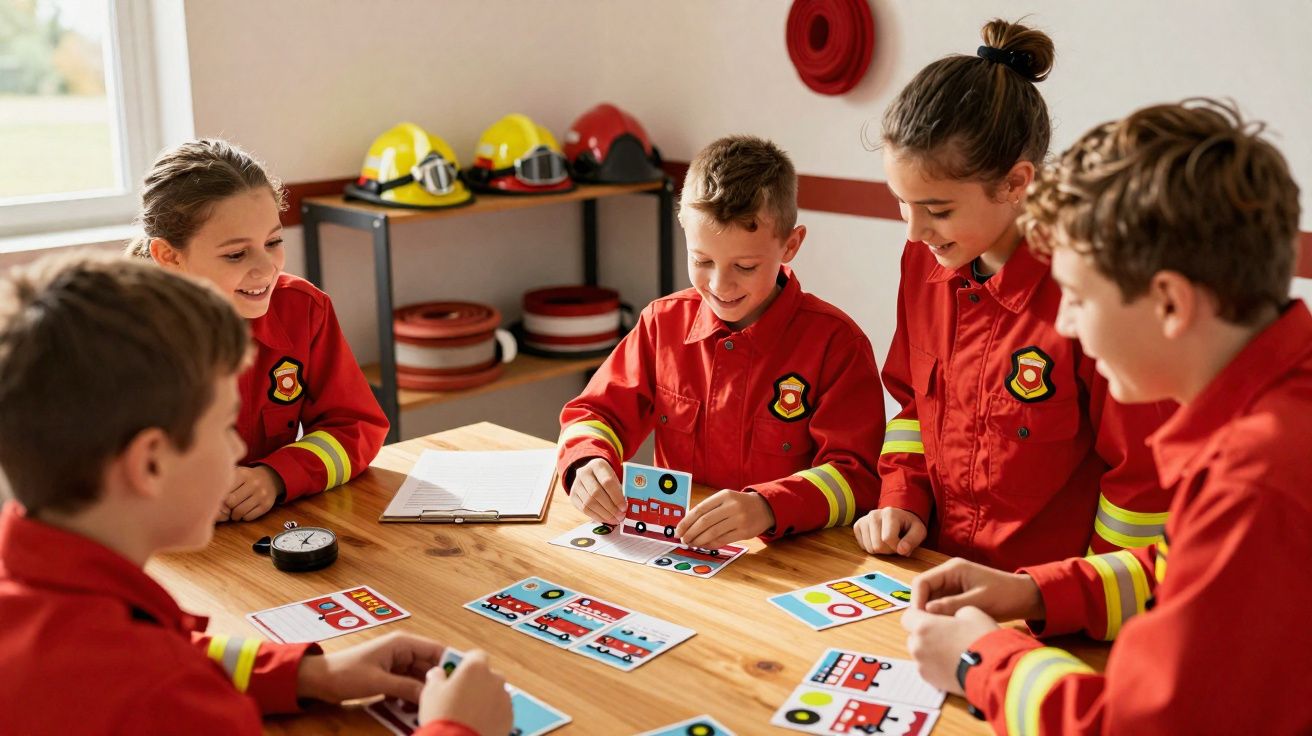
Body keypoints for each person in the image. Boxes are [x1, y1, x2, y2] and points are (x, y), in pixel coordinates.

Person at [902, 98, 1312, 734]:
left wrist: (978, 661)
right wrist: (1033, 592)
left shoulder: (1253, 482)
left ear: (1170, 303)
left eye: (1078, 297)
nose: (1065, 324)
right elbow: (1179, 575)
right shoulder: (1276, 415)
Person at [0, 254, 511, 735]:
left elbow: (154, 655)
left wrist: (307, 674)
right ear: (150, 463)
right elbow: (157, 679)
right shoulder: (168, 697)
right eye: (226, 426)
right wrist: (456, 727)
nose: (238, 449)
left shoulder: (41, 600)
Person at [856, 19, 1174, 570]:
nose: (914, 231)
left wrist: (1083, 599)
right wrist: (901, 497)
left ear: (1015, 182)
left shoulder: (1093, 291)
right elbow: (912, 406)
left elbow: (1141, 480)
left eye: (938, 210)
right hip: (935, 574)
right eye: (901, 202)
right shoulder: (924, 260)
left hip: (1050, 598)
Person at [558, 135, 885, 550]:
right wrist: (587, 460)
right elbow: (594, 413)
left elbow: (856, 477)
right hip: (679, 551)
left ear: (790, 245)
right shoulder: (662, 324)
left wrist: (769, 506)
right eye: (702, 261)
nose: (719, 284)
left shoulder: (836, 344)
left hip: (792, 560)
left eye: (745, 266)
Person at [127, 139, 388, 522]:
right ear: (169, 256)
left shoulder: (303, 309)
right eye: (236, 254)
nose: (267, 268)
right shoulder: (117, 336)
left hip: (267, 528)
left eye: (273, 241)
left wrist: (276, 476)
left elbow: (356, 426)